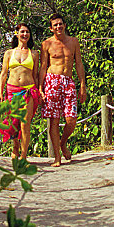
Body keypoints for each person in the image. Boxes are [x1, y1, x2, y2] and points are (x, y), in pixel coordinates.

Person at [39, 13, 86, 166]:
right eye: (55, 25)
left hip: (69, 82)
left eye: (60, 23)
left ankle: (62, 142)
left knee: (71, 119)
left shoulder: (73, 42)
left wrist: (82, 85)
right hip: (52, 81)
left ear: (64, 25)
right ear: (51, 28)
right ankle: (57, 157)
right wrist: (41, 88)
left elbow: (78, 63)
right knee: (54, 119)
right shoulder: (47, 44)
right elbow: (43, 67)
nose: (58, 26)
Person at [0, 23, 40, 159]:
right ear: (17, 34)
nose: (25, 34)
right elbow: (3, 74)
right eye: (22, 32)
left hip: (28, 91)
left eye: (27, 32)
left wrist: (39, 91)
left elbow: (36, 74)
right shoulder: (9, 53)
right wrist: (0, 93)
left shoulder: (34, 54)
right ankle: (15, 145)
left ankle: (23, 155)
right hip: (12, 90)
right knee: (12, 122)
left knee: (25, 123)